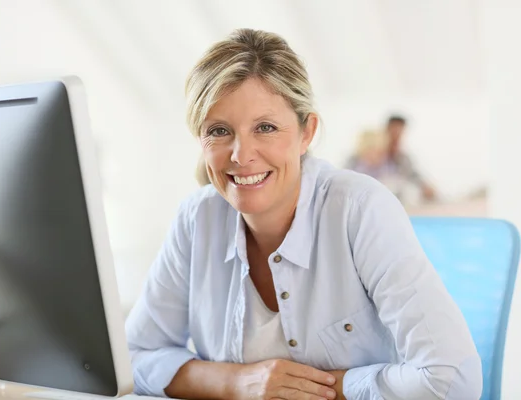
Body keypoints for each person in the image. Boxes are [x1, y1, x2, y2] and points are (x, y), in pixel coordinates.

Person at [125, 28, 482, 400]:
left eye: (265, 127)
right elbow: (134, 356)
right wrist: (238, 383)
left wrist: (328, 388)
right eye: (219, 130)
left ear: (306, 132)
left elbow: (452, 380)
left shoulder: (359, 209)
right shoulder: (196, 219)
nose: (240, 155)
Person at [383, 115, 436, 201]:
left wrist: (425, 186)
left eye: (400, 132)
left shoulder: (403, 158)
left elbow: (413, 175)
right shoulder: (372, 156)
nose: (397, 137)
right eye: (394, 132)